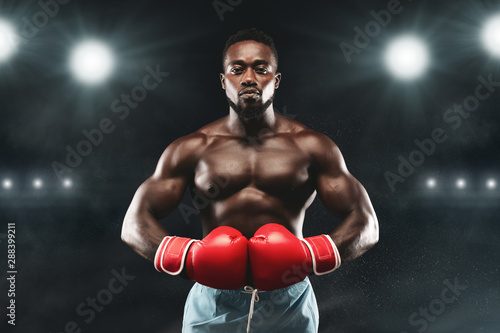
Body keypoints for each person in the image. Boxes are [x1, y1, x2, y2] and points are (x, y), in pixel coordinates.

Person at [121, 28, 379, 333]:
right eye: (237, 69)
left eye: (261, 68)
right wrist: (189, 258)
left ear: (276, 79)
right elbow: (134, 224)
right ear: (223, 81)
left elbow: (366, 223)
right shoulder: (191, 149)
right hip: (213, 301)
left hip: (289, 302)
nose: (248, 78)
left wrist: (308, 256)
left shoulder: (312, 147)